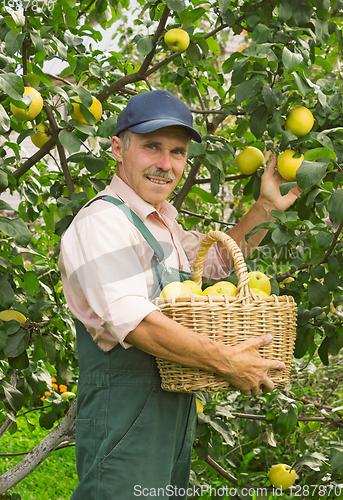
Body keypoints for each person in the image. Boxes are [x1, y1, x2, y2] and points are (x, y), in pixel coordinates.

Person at [58, 90, 301, 500]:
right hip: (124, 418)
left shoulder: (163, 222)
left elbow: (217, 267)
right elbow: (134, 324)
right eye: (152, 147)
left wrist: (265, 208)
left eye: (177, 152)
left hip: (173, 411)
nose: (165, 164)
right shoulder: (102, 223)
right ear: (119, 148)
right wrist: (227, 362)